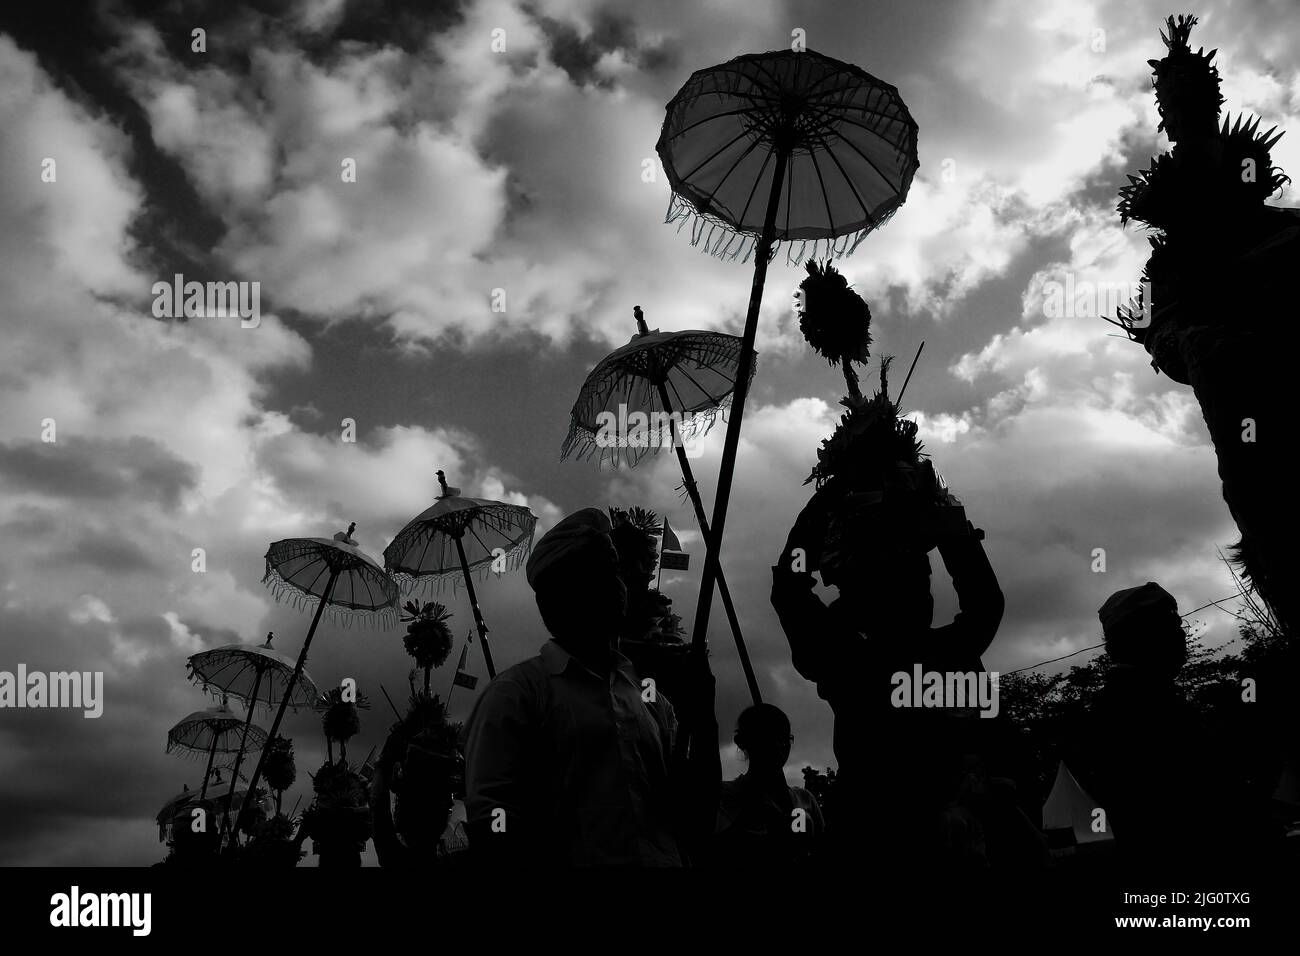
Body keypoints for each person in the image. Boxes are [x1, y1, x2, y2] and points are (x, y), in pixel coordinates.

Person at [771, 479, 1004, 869]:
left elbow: (790, 590)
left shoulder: (843, 656)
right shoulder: (933, 655)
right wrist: (945, 517)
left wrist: (819, 508)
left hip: (882, 836)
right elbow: (985, 602)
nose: (920, 588)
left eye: (919, 574)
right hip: (896, 840)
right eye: (909, 576)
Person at [463, 508, 717, 866]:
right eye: (597, 575)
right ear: (560, 600)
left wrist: (703, 713)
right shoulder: (516, 696)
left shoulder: (651, 700)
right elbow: (493, 826)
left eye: (614, 572)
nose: (617, 586)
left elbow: (695, 818)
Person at [1074, 582, 1266, 874]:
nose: (1181, 635)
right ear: (1141, 636)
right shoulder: (1140, 706)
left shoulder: (1136, 698)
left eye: (1179, 625)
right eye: (1171, 625)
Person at [713, 703, 823, 867]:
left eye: (785, 738)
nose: (779, 745)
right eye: (768, 737)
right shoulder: (724, 796)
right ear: (743, 742)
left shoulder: (805, 799)